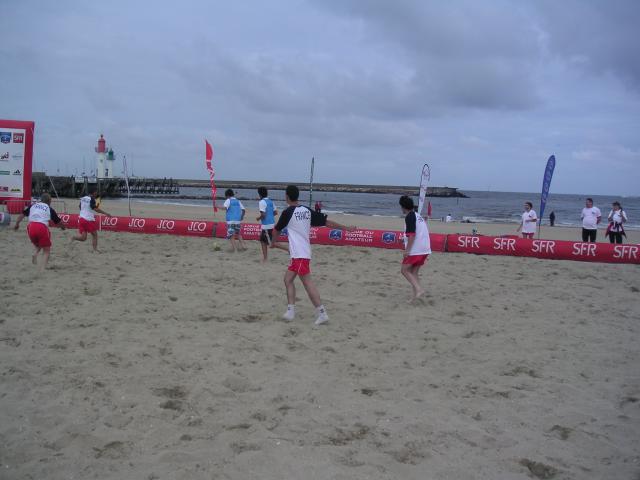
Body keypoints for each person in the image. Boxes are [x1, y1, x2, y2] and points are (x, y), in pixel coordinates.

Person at [271, 185, 352, 325]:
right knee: (287, 279)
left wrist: (273, 242)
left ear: (287, 197)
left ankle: (322, 313)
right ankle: (290, 311)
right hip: (299, 254)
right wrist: (346, 228)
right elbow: (327, 222)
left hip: (300, 254)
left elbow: (276, 230)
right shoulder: (306, 211)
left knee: (307, 283)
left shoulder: (288, 212)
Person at [13, 193, 66, 271]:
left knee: (40, 243)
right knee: (47, 250)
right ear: (49, 201)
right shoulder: (49, 208)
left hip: (30, 227)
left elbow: (22, 215)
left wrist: (17, 224)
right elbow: (58, 222)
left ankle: (35, 254)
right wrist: (63, 227)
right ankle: (42, 270)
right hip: (41, 227)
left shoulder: (33, 206)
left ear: (41, 200)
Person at [399, 196, 431, 302]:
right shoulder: (418, 216)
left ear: (403, 207)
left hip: (417, 249)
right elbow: (416, 233)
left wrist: (407, 251)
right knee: (413, 273)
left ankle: (419, 289)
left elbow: (412, 235)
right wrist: (404, 240)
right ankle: (415, 297)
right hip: (425, 248)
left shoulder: (409, 217)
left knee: (404, 270)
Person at [256, 186, 278, 262]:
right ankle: (265, 258)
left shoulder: (261, 202)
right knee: (262, 240)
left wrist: (258, 218)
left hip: (266, 226)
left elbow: (263, 215)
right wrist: (270, 215)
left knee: (272, 244)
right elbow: (275, 212)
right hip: (271, 224)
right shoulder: (270, 201)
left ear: (260, 194)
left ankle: (288, 249)